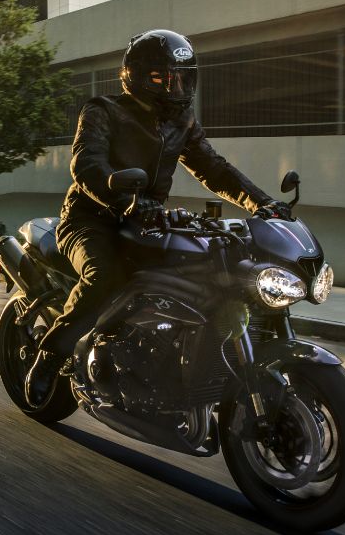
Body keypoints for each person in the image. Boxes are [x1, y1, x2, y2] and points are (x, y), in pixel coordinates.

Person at [25, 29, 293, 406]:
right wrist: (121, 198)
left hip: (146, 223)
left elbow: (213, 169)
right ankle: (50, 356)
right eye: (163, 76)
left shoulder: (181, 120)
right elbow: (86, 165)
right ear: (136, 76)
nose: (176, 84)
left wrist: (262, 204)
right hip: (91, 219)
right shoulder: (103, 110)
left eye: (182, 76)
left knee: (203, 276)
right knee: (105, 278)